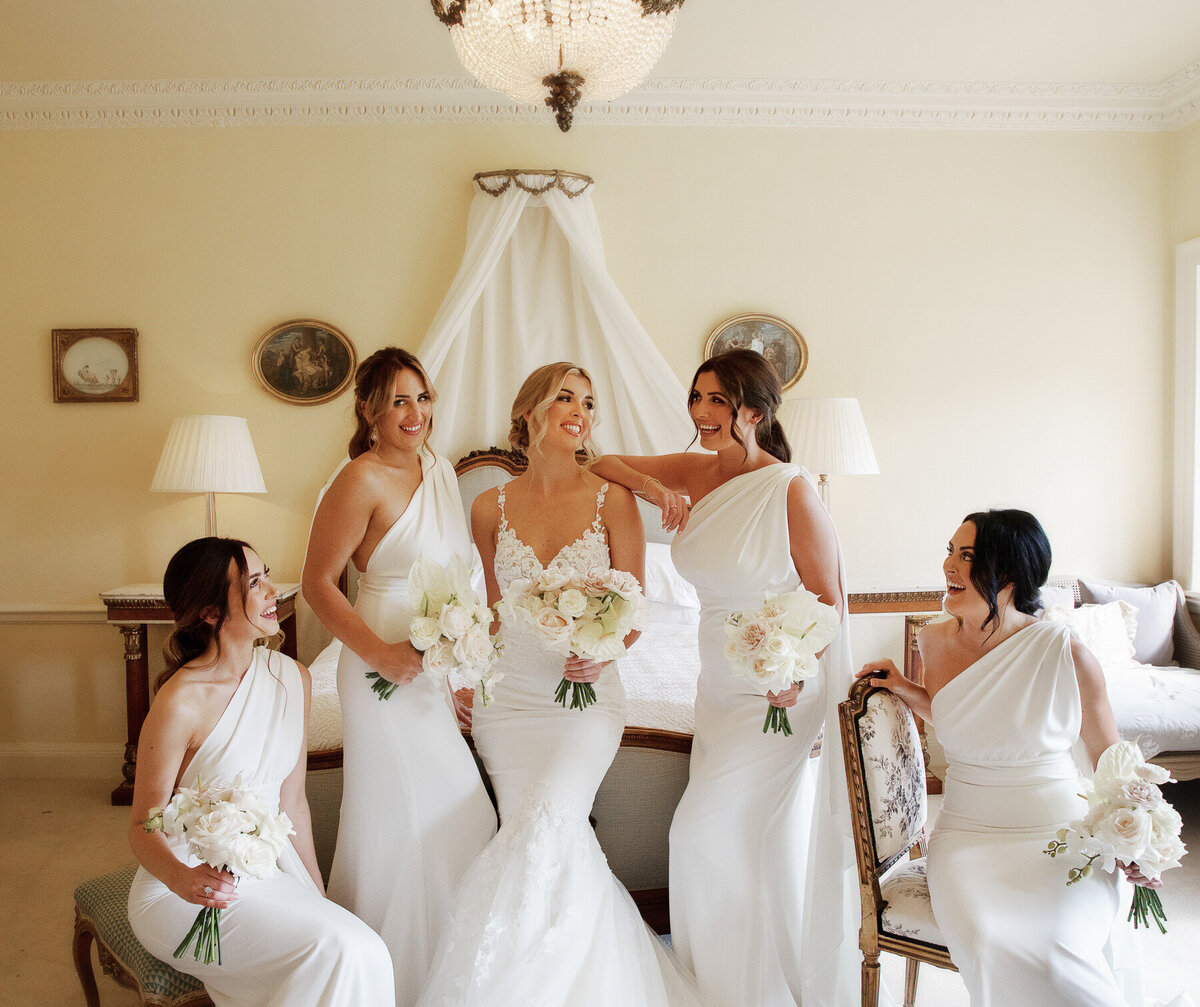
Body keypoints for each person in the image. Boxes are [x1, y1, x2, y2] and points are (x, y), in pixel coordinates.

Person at [417, 362, 702, 1007]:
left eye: (589, 402)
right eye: (564, 398)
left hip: (585, 699)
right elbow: (488, 614)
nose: (580, 410)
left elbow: (633, 610)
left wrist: (600, 653)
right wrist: (466, 677)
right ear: (529, 411)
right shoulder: (487, 506)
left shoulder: (614, 498)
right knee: (529, 822)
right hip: (508, 701)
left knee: (547, 819)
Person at [589, 348, 859, 1006]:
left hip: (778, 691)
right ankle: (743, 978)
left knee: (699, 829)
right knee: (748, 840)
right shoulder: (697, 471)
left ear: (754, 413)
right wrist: (656, 489)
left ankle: (737, 986)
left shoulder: (790, 488)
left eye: (719, 401)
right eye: (698, 397)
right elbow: (596, 461)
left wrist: (795, 671)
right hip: (717, 686)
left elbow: (828, 598)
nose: (702, 412)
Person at [858, 510, 1159, 1006]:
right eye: (949, 551)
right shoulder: (932, 641)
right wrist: (907, 689)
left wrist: (1140, 834)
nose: (948, 566)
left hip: (1059, 835)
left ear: (1011, 573)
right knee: (992, 935)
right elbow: (971, 721)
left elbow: (1110, 757)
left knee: (1060, 946)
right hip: (969, 837)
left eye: (967, 556)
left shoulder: (1066, 652)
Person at [302, 348, 496, 1007]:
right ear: (369, 412)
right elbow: (318, 584)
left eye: (422, 397)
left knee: (454, 808)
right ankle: (391, 975)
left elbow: (460, 582)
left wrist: (462, 671)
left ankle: (452, 963)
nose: (415, 413)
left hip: (434, 666)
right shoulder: (358, 479)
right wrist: (380, 653)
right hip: (377, 664)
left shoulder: (440, 470)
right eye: (398, 401)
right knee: (400, 811)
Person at [127, 537, 395, 1006]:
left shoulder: (294, 678)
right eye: (254, 583)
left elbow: (292, 805)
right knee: (340, 949)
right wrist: (181, 879)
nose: (274, 590)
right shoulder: (180, 700)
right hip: (184, 891)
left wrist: (317, 894)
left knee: (365, 949)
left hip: (266, 873)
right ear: (211, 612)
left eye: (266, 574)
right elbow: (140, 824)